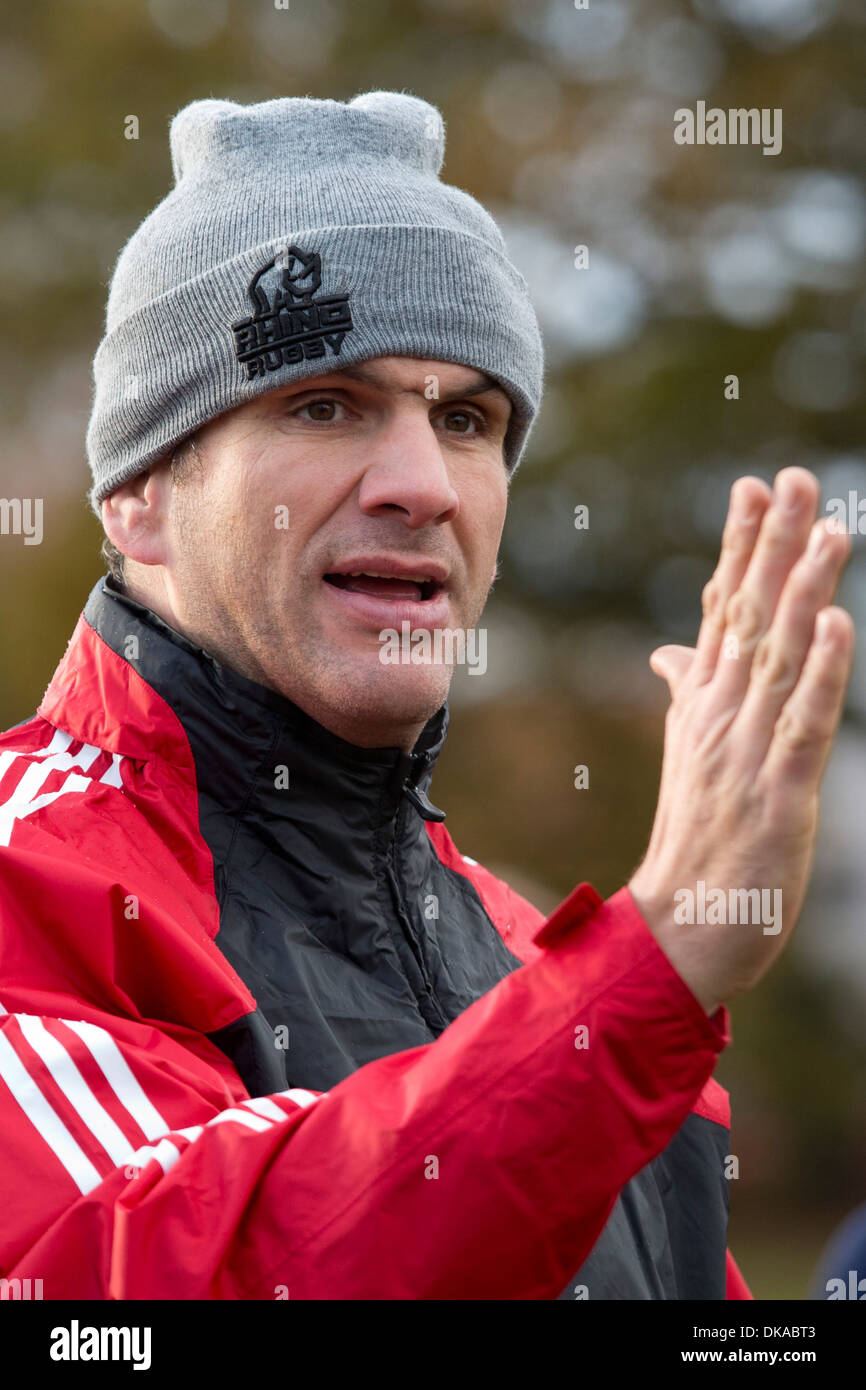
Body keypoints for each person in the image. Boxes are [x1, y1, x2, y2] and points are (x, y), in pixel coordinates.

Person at [0, 91, 853, 1301]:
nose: (422, 483)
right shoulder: (31, 887)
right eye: (323, 403)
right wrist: (646, 974)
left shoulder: (556, 973)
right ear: (138, 494)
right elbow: (144, 1289)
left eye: (466, 418)